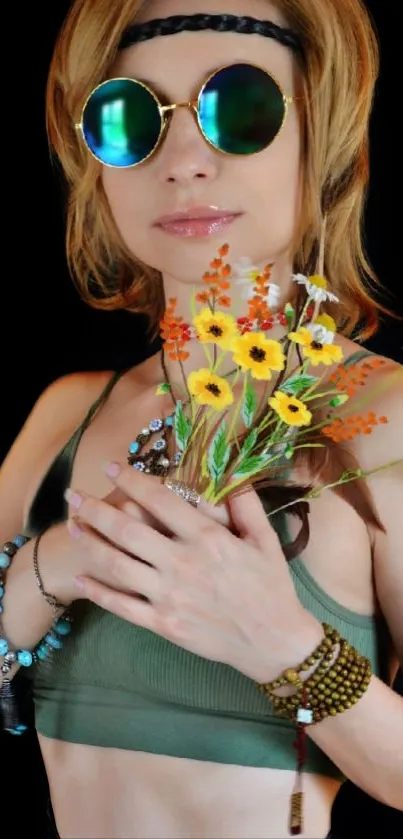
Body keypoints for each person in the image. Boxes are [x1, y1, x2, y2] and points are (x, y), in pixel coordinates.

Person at [0, 0, 402, 837]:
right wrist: (49, 564)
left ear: (317, 132)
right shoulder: (65, 418)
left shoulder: (383, 419)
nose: (183, 161)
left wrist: (284, 643)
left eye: (240, 110)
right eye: (129, 119)